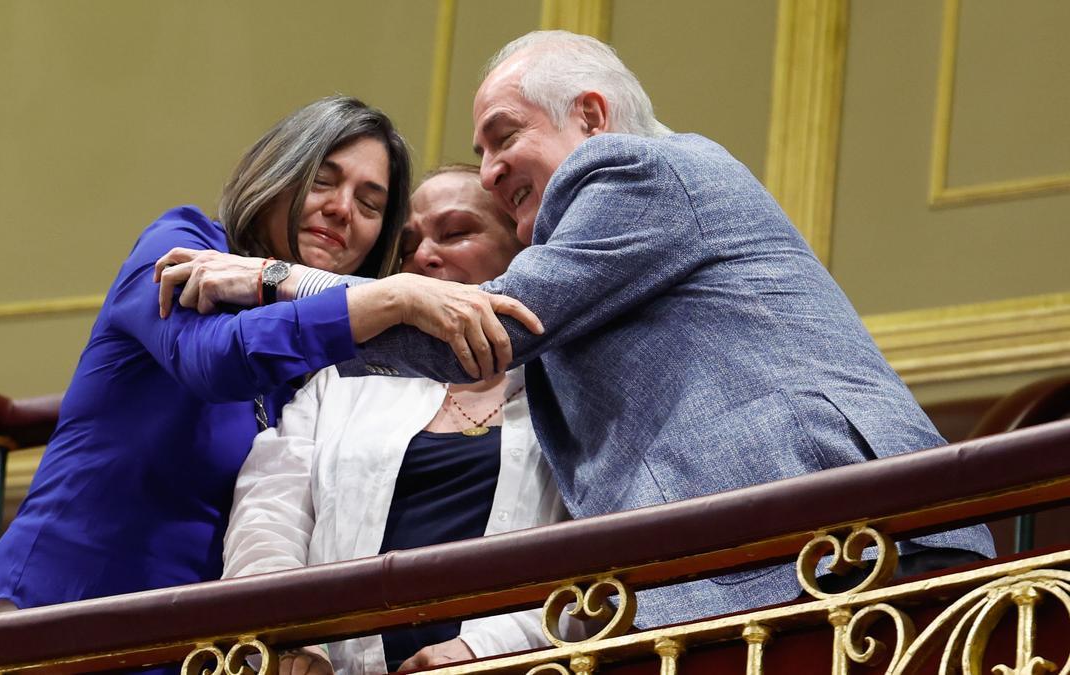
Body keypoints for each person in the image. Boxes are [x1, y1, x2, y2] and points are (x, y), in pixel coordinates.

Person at [165, 32, 995, 629]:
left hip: (856, 547)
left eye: (504, 136)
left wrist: (275, 278)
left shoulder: (634, 170)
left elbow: (474, 329)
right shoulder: (603, 245)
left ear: (591, 117)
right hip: (783, 570)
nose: (490, 170)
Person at [0, 97, 540, 618]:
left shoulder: (339, 369)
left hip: (195, 643)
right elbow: (214, 360)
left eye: (370, 204)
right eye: (321, 181)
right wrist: (393, 296)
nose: (342, 210)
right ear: (274, 177)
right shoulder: (184, 243)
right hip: (59, 607)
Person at [223, 165, 567, 675]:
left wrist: (489, 650)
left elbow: (607, 562)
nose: (423, 258)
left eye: (455, 233)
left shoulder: (572, 389)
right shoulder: (342, 381)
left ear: (523, 251)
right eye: (407, 248)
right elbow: (268, 515)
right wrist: (288, 638)